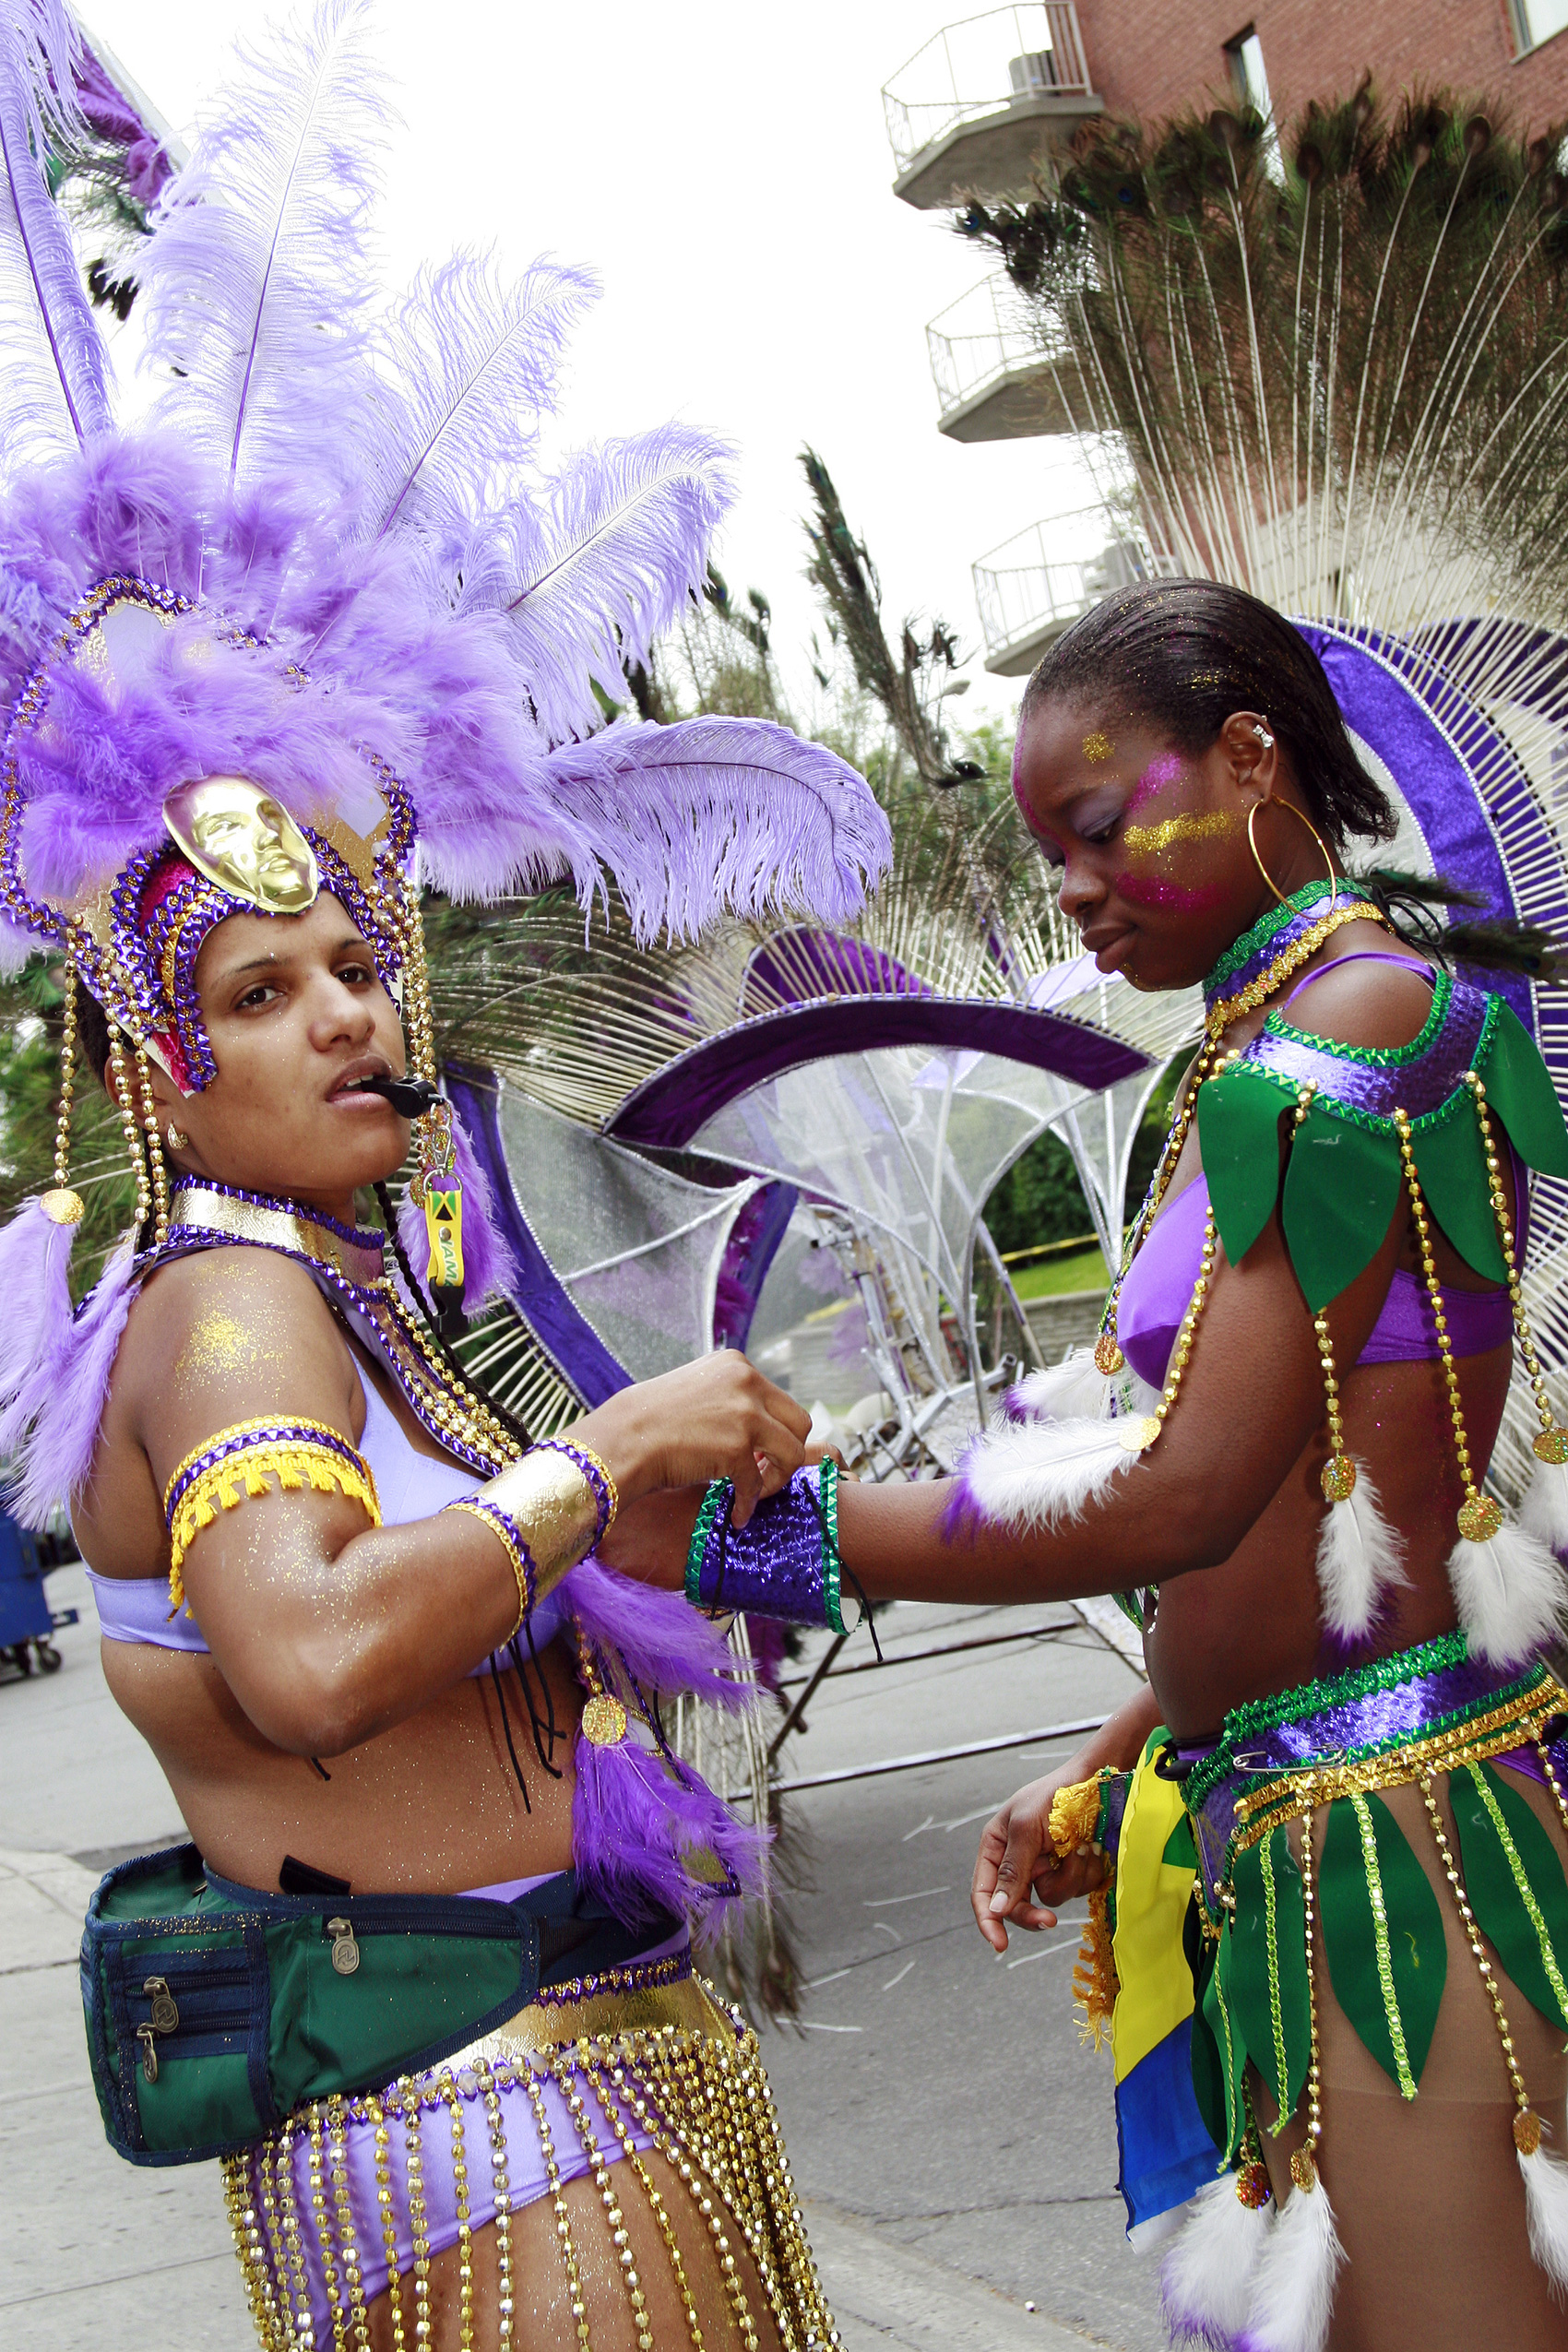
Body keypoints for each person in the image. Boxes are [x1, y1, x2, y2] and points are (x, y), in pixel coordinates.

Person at [0, 4, 887, 2346]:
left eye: (359, 963)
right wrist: (604, 1455)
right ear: (155, 1056)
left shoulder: (351, 1287)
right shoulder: (221, 1311)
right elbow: (302, 1657)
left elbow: (553, 1586)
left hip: (558, 2083)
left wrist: (780, 1494)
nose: (354, 1020)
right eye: (266, 990)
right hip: (479, 2121)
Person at [608, 578, 1568, 2351]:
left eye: (1102, 823)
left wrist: (764, 1543)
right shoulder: (1277, 1030)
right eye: (1052, 845)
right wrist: (1130, 1750)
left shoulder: (1351, 1026)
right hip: (1300, 1807)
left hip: (1395, 1838)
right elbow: (1310, 1477)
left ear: (1256, 757)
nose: (1069, 885)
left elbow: (1193, 1486)